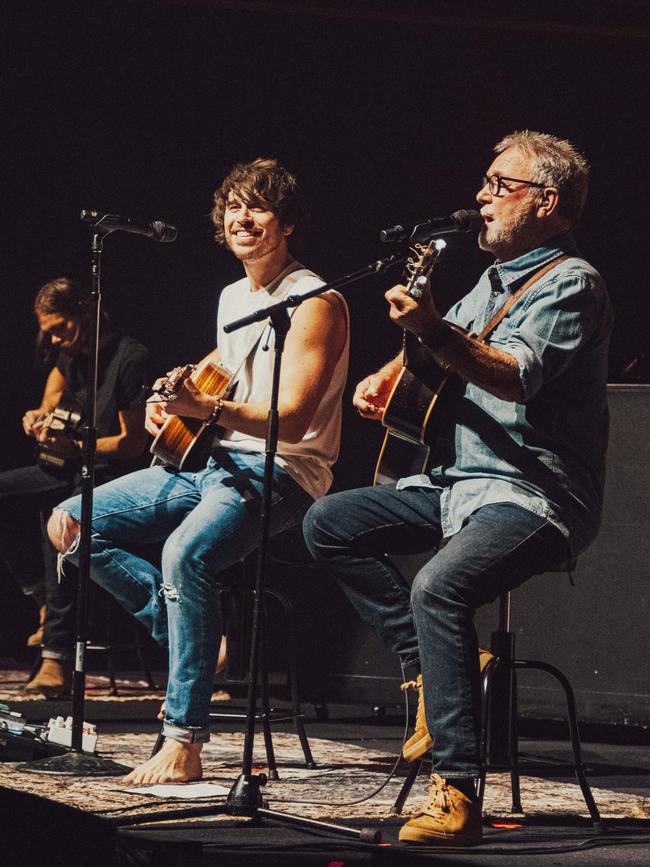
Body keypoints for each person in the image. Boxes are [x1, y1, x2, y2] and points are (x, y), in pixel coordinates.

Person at [303, 131, 613, 845]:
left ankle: (457, 791)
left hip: (536, 495)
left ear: (549, 200)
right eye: (484, 183)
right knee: (328, 521)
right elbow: (442, 349)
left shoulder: (572, 281)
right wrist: (395, 367)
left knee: (437, 587)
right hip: (457, 485)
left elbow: (512, 373)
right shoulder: (490, 282)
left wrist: (433, 331)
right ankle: (426, 666)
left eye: (499, 185)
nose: (481, 196)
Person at [48, 158, 350, 786]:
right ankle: (189, 631)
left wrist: (204, 407)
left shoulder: (316, 301)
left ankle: (183, 739)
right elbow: (226, 356)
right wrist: (171, 391)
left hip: (280, 472)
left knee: (186, 555)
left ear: (287, 222)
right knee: (70, 521)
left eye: (259, 207)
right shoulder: (234, 297)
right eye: (234, 207)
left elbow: (291, 421)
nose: (243, 218)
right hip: (207, 461)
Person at [0, 277, 151, 696]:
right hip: (62, 467)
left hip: (107, 475)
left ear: (86, 313)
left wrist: (78, 443)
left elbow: (132, 443)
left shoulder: (129, 357)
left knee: (60, 521)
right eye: (47, 330)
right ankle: (43, 599)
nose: (54, 338)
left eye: (61, 327)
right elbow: (50, 401)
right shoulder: (70, 357)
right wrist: (37, 417)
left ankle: (57, 661)